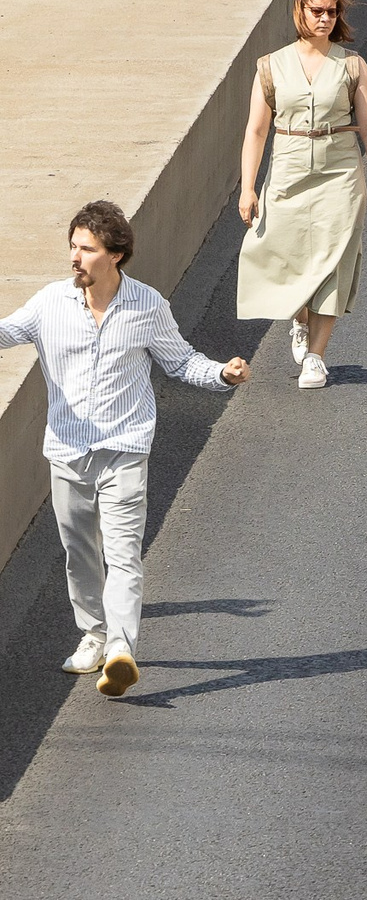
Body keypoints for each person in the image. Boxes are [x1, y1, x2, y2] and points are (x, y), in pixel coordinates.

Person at [2, 200, 248, 695]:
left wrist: (222, 373)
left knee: (123, 554)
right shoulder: (50, 303)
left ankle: (120, 649)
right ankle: (93, 635)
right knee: (80, 555)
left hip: (124, 451)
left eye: (86, 248)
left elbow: (181, 362)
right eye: (72, 246)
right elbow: (6, 332)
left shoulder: (147, 306)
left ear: (115, 256)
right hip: (68, 453)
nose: (75, 257)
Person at [237, 0, 367, 389]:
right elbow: (256, 131)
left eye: (331, 11)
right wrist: (248, 186)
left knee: (334, 263)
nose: (325, 18)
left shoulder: (352, 65)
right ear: (300, 12)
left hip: (339, 174)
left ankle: (316, 357)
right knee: (282, 256)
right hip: (287, 172)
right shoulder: (271, 65)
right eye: (317, 10)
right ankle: (300, 317)